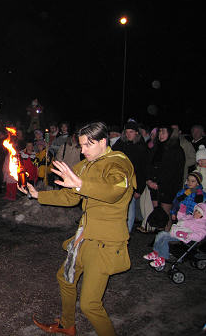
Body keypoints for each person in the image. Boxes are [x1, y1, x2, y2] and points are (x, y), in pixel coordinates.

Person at [18, 121, 135, 336]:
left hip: (104, 242)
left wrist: (80, 184)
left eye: (87, 145)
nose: (83, 151)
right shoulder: (86, 164)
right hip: (84, 237)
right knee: (65, 278)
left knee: (90, 304)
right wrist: (38, 195)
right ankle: (67, 325)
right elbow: (70, 196)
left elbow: (113, 191)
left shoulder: (118, 163)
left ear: (103, 141)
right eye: (81, 145)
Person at [146, 125, 185, 231]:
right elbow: (149, 165)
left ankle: (165, 236)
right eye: (159, 132)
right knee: (157, 213)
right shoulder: (157, 148)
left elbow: (174, 173)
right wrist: (149, 180)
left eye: (163, 132)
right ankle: (159, 236)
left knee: (165, 214)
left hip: (167, 188)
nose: (160, 135)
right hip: (154, 186)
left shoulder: (176, 150)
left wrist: (160, 184)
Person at [143, 202, 206, 268]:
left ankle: (162, 259)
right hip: (177, 232)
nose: (196, 213)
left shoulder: (201, 225)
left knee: (165, 239)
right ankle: (156, 252)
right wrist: (182, 211)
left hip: (185, 238)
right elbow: (181, 219)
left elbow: (199, 236)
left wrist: (186, 235)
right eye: (196, 210)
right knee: (161, 234)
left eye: (199, 212)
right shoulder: (190, 217)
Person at [112, 121, 148, 233]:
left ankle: (126, 233)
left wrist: (139, 189)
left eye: (131, 132)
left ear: (136, 133)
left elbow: (143, 169)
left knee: (130, 208)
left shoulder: (141, 147)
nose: (128, 134)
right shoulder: (120, 143)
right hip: (119, 181)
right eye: (126, 132)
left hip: (133, 183)